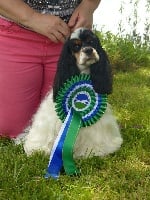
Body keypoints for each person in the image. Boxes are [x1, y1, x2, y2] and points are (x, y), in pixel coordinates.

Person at [0, 0, 101, 138]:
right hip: (15, 33)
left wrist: (88, 6)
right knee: (10, 128)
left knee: (68, 125)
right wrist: (32, 18)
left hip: (69, 37)